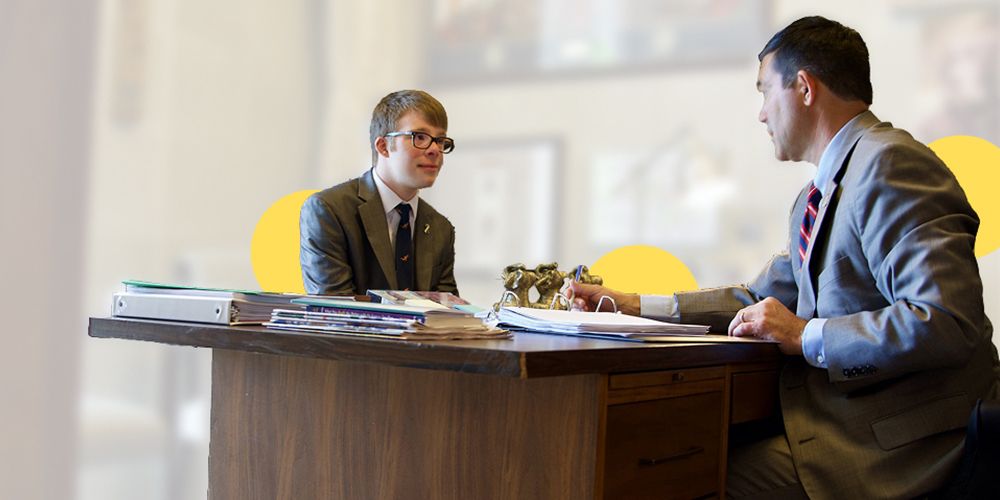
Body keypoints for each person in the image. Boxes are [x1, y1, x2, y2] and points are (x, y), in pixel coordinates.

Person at [571, 16, 1000, 499]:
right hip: (849, 425)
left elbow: (945, 322)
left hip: (908, 444)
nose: (760, 114)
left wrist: (804, 334)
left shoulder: (891, 165)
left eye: (763, 92)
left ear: (803, 87)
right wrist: (631, 304)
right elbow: (758, 299)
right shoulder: (815, 195)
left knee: (687, 478)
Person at [300, 90, 459, 296]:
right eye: (419, 137)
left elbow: (448, 313)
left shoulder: (440, 228)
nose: (435, 150)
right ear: (383, 146)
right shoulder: (329, 211)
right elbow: (335, 310)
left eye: (440, 140)